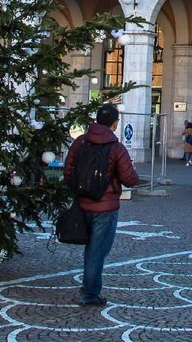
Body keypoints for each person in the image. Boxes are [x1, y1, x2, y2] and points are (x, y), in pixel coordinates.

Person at [62, 103, 140, 307]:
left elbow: (68, 171)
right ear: (115, 124)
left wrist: (80, 190)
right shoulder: (116, 147)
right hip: (105, 207)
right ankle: (90, 293)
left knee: (92, 250)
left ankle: (88, 285)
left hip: (82, 203)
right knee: (97, 251)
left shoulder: (80, 142)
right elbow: (130, 179)